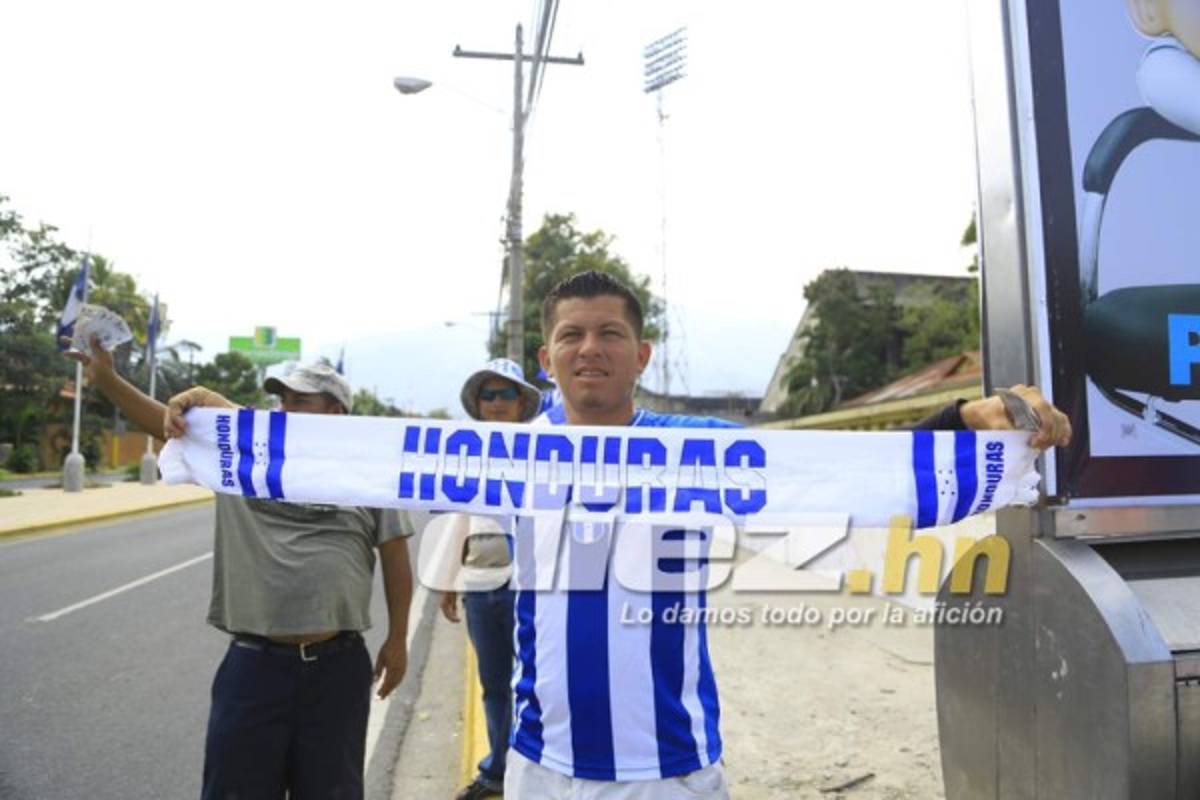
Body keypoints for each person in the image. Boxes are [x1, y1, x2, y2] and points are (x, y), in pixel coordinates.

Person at [503, 270, 1072, 799]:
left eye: (610, 333)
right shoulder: (499, 461)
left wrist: (968, 420)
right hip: (537, 764)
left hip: (664, 767)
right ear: (545, 358)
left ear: (642, 355)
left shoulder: (695, 452)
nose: (589, 348)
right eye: (571, 334)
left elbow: (844, 476)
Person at [68, 344, 414, 800]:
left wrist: (397, 640)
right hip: (255, 668)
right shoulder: (242, 457)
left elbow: (394, 557)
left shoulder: (368, 474)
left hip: (337, 668)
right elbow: (166, 424)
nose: (286, 409)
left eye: (301, 400)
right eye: (282, 400)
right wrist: (109, 380)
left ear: (336, 411)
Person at [442, 358, 541, 800]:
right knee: (495, 684)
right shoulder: (467, 455)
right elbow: (459, 519)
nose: (497, 403)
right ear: (478, 405)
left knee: (535, 685)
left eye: (506, 395)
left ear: (522, 403)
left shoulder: (546, 449)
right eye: (488, 395)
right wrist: (446, 579)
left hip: (530, 588)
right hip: (481, 587)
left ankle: (530, 771)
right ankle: (497, 770)